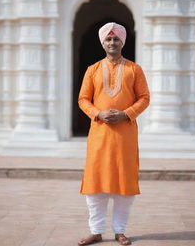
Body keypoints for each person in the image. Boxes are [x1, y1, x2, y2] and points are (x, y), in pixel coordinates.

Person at [77, 22, 150, 246]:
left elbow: (144, 98)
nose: (112, 43)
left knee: (123, 183)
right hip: (100, 134)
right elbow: (83, 100)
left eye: (116, 39)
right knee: (96, 183)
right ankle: (96, 231)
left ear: (122, 42)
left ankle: (120, 231)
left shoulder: (134, 69)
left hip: (125, 135)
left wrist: (126, 114)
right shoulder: (93, 70)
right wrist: (98, 113)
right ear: (102, 42)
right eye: (108, 39)